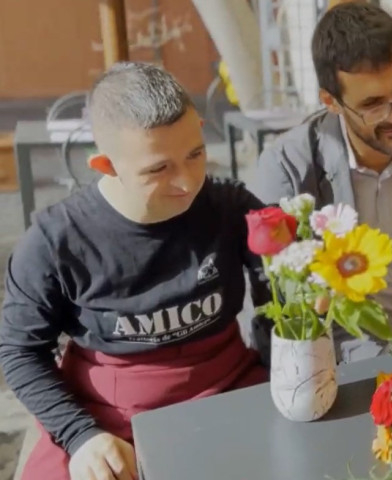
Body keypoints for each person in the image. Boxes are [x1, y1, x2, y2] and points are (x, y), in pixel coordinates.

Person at [0, 62, 270, 480]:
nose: (188, 182)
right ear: (105, 165)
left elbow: (282, 288)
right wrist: (79, 435)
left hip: (228, 386)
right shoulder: (55, 241)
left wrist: (282, 365)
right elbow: (19, 351)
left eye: (195, 154)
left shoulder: (231, 206)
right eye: (159, 169)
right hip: (107, 414)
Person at [251, 2, 392, 363]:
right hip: (332, 364)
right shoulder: (287, 169)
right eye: (373, 104)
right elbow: (282, 307)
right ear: (331, 101)